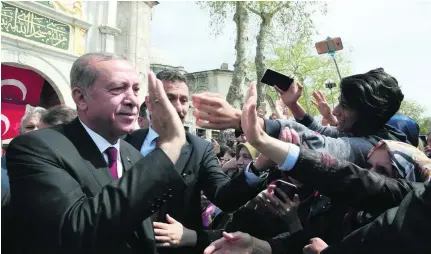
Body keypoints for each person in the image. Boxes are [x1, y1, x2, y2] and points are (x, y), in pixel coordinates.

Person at [204, 83, 429, 254]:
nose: (369, 176)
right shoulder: (343, 209)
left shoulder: (408, 220)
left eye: (383, 173)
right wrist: (254, 244)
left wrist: (261, 131)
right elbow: (299, 242)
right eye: (368, 166)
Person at [6, 52, 188, 254]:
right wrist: (169, 148)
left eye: (136, 90)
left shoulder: (132, 155)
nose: (132, 101)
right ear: (81, 97)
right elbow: (77, 231)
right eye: (118, 89)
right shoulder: (37, 148)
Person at [123, 70, 262, 254]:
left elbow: (225, 197)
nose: (178, 107)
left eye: (183, 100)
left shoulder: (199, 149)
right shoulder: (125, 142)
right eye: (169, 97)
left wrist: (258, 167)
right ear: (149, 102)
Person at [192, 70, 408, 168]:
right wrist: (293, 104)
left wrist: (245, 120)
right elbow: (321, 131)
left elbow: (322, 143)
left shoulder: (371, 147)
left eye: (346, 106)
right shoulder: (362, 131)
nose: (335, 110)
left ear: (367, 114)